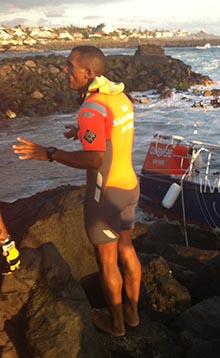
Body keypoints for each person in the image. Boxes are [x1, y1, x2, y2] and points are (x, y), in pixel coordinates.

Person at [12, 46, 141, 337]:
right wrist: (81, 133)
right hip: (130, 187)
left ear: (89, 73)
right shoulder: (120, 97)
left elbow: (95, 159)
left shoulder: (91, 108)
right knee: (127, 249)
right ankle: (133, 315)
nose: (65, 71)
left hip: (105, 194)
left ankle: (117, 324)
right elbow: (116, 133)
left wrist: (49, 153)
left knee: (107, 261)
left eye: (71, 66)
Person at [0, 208, 20, 275]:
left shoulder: (17, 259)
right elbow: (5, 254)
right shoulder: (11, 262)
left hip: (9, 240)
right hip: (4, 241)